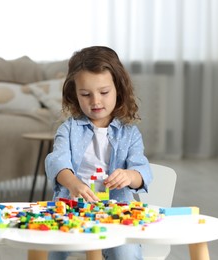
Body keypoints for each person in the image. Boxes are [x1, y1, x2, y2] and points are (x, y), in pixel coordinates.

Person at [45, 46, 152, 260]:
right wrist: (74, 184)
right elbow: (57, 161)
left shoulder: (129, 133)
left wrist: (129, 176)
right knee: (53, 249)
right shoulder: (69, 129)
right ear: (74, 95)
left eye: (104, 92)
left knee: (128, 252)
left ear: (118, 90)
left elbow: (141, 170)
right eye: (85, 94)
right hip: (72, 210)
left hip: (117, 213)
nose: (95, 101)